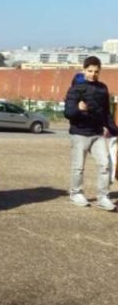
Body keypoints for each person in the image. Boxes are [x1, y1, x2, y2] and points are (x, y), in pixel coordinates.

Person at [64, 56, 117, 211]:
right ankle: (76, 193)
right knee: (78, 167)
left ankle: (103, 197)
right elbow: (68, 113)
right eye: (90, 71)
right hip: (79, 134)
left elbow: (106, 113)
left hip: (97, 134)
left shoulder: (103, 88)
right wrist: (79, 109)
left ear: (100, 71)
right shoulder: (75, 89)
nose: (93, 74)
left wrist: (114, 130)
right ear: (84, 70)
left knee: (105, 165)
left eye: (96, 71)